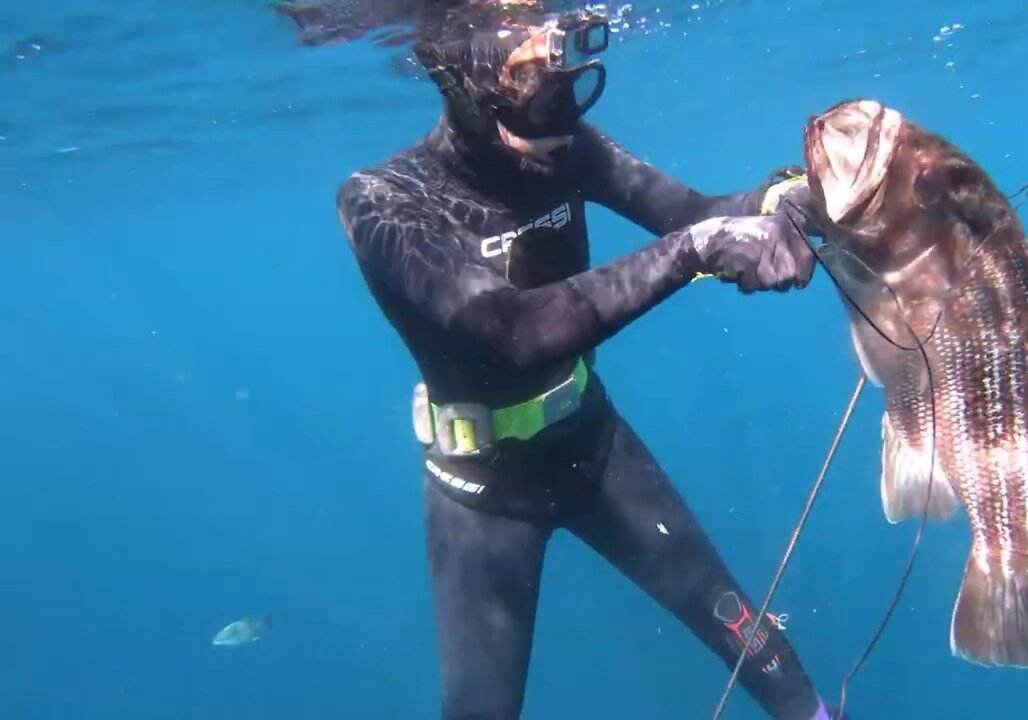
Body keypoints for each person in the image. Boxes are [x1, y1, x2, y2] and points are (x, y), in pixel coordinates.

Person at [310, 2, 840, 717]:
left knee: (760, 652)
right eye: (534, 104)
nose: (559, 140)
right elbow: (515, 329)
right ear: (459, 81)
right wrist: (697, 252)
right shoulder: (382, 202)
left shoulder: (571, 145)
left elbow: (695, 212)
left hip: (590, 443)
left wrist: (791, 196)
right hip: (480, 497)